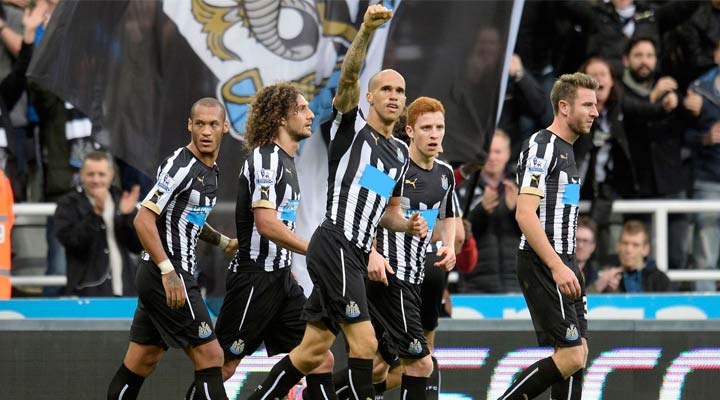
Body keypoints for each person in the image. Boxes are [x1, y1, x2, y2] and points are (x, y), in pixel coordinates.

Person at [247, 5, 427, 400]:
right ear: (369, 97)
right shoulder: (352, 130)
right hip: (336, 245)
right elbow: (348, 76)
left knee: (312, 352)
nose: (394, 96)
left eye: (400, 91)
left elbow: (389, 212)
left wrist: (407, 224)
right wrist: (365, 31)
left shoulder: (399, 152)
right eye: (386, 89)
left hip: (358, 254)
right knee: (364, 344)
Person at [184, 83, 334, 399]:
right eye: (302, 109)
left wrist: (287, 266)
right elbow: (266, 224)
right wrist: (314, 250)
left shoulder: (287, 161)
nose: (310, 115)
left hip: (280, 279)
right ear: (281, 117)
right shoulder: (266, 160)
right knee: (223, 365)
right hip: (254, 281)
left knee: (319, 357)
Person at [107, 98, 237, 400]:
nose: (206, 131)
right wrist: (168, 271)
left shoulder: (211, 169)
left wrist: (223, 242)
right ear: (189, 125)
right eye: (200, 124)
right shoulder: (181, 166)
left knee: (143, 360)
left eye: (213, 124)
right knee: (212, 357)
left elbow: (188, 217)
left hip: (164, 274)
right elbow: (143, 218)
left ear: (225, 128)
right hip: (167, 274)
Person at [333, 96, 457, 400]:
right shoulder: (389, 162)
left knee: (380, 366)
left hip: (414, 279)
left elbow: (450, 214)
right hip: (384, 276)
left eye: (439, 127)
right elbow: (365, 211)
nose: (434, 134)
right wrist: (372, 252)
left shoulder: (445, 174)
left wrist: (450, 245)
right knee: (419, 362)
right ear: (410, 131)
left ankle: (317, 394)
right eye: (426, 127)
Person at [499, 73, 598, 400]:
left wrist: (571, 264)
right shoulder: (543, 146)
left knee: (578, 353)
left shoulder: (569, 151)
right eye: (587, 105)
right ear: (564, 107)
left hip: (565, 260)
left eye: (595, 105)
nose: (595, 112)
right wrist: (557, 266)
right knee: (569, 355)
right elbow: (525, 214)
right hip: (544, 261)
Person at [53, 151, 142, 296]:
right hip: (85, 293)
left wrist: (127, 217)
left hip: (125, 291)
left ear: (111, 175)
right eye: (90, 174)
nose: (96, 180)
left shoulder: (122, 199)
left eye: (101, 174)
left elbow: (137, 246)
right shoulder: (68, 204)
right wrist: (95, 215)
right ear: (81, 174)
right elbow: (72, 242)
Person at [458, 129, 521, 293]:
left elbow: (537, 234)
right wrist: (481, 210)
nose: (493, 158)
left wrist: (517, 212)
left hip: (517, 283)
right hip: (476, 285)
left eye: (498, 152)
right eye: (489, 152)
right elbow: (458, 232)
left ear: (507, 154)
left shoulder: (521, 185)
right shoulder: (464, 186)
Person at [684, 40, 720, 292]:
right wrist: (704, 139)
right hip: (708, 180)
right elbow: (680, 138)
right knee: (706, 252)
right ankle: (704, 308)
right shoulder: (697, 91)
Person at [594, 220, 671, 294]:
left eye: (635, 245)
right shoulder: (602, 273)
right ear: (618, 246)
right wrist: (602, 289)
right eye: (625, 243)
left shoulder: (659, 280)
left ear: (645, 249)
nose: (628, 250)